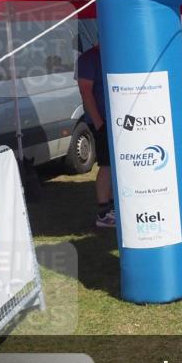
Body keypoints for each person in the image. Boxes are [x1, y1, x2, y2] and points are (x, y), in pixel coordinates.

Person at [76, 44, 114, 228]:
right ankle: (103, 214)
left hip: (118, 121)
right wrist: (99, 123)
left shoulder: (113, 53)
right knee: (106, 165)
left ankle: (114, 209)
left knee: (116, 165)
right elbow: (85, 90)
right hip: (102, 122)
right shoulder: (88, 58)